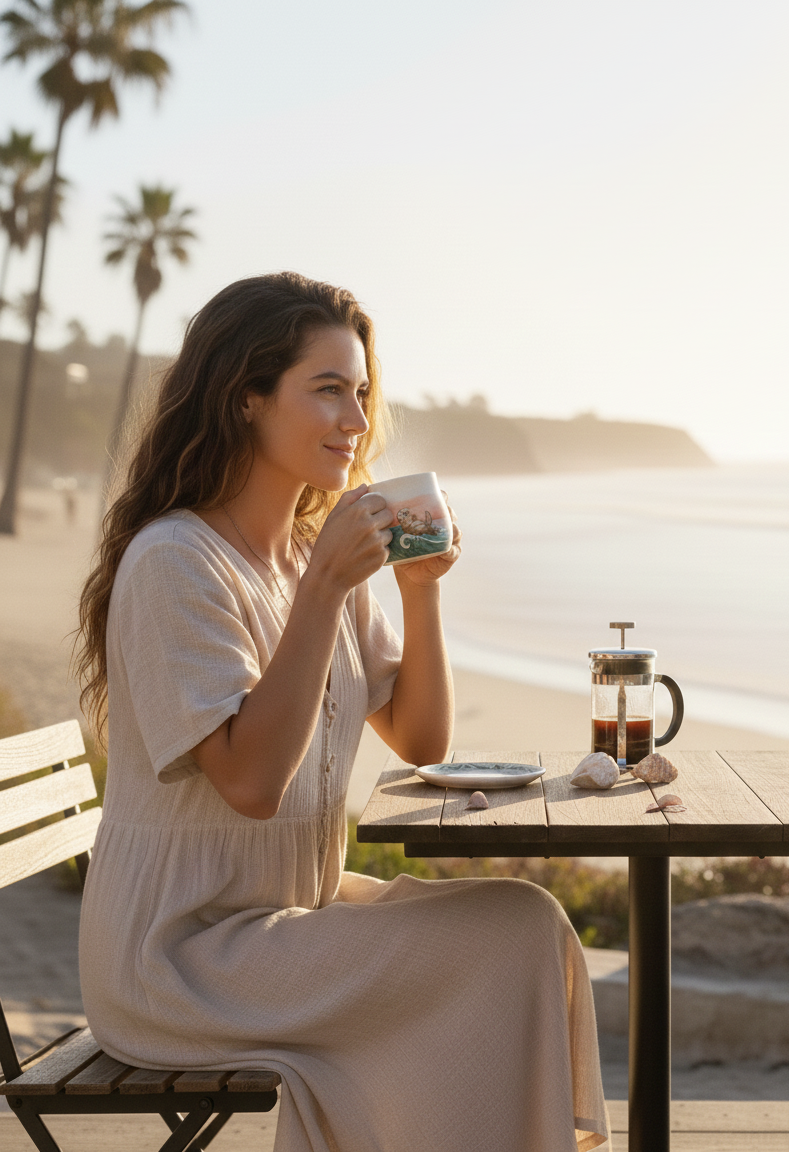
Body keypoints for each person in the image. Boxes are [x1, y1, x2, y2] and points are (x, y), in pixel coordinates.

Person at [75, 272, 610, 1152]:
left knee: (528, 923)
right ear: (245, 398)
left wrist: (417, 590)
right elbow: (249, 781)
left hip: (285, 921)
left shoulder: (304, 558)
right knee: (504, 938)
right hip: (179, 957)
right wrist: (325, 586)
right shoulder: (177, 563)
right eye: (328, 391)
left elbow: (421, 738)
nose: (358, 423)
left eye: (360, 393)